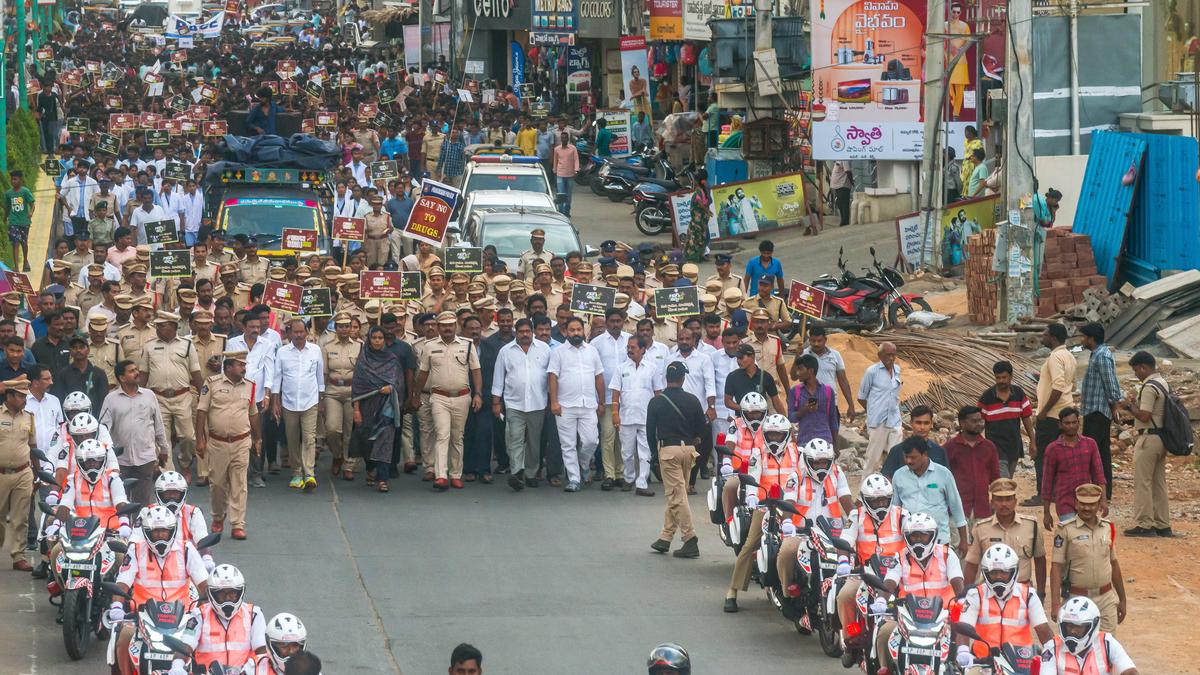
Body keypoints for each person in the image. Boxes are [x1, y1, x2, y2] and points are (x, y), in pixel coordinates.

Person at [108, 505, 210, 675]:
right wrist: (117, 606)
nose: (161, 535)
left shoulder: (186, 550)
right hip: (142, 617)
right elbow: (122, 583)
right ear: (147, 532)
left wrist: (206, 609)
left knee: (204, 645)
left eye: (165, 531)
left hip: (183, 617)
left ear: (172, 530)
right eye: (156, 532)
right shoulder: (135, 550)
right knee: (123, 638)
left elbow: (204, 585)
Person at [873, 512, 966, 671]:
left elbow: (958, 581)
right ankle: (885, 668)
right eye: (914, 537)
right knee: (884, 632)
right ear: (906, 538)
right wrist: (882, 599)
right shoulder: (899, 557)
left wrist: (963, 600)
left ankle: (955, 668)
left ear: (933, 536)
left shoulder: (947, 554)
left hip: (944, 617)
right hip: (908, 619)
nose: (918, 541)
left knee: (965, 639)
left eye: (923, 536)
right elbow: (889, 582)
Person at [776, 437, 854, 616]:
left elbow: (847, 501)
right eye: (816, 462)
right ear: (808, 461)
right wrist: (787, 523)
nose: (820, 466)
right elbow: (788, 501)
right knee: (787, 551)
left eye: (824, 462)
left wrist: (858, 520)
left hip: (832, 532)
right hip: (801, 532)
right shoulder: (796, 476)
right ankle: (787, 596)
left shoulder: (836, 473)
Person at [834, 473, 906, 664]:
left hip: (897, 575)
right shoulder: (855, 516)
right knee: (845, 595)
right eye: (875, 501)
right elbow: (844, 541)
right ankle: (850, 640)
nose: (881, 505)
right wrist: (842, 561)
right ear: (865, 501)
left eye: (884, 500)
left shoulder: (902, 516)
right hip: (864, 573)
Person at [953, 543, 1053, 671]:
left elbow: (1044, 631)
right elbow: (964, 627)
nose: (998, 577)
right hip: (983, 663)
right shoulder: (975, 594)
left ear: (1014, 571)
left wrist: (1052, 653)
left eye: (1004, 572)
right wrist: (963, 651)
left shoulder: (1029, 595)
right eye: (993, 573)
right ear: (985, 573)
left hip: (1020, 664)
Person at [413, 311, 482, 490]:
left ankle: (455, 474)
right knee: (442, 434)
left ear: (455, 326)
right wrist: (416, 395)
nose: (447, 328)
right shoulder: (429, 346)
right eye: (443, 325)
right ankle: (441, 475)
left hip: (462, 396)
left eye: (450, 325)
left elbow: (476, 371)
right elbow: (422, 374)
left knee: (457, 437)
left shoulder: (467, 345)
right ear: (438, 327)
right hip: (439, 397)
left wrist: (478, 394)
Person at [647, 361, 709, 558]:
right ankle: (665, 537)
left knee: (676, 495)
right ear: (683, 378)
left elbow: (650, 432)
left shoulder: (656, 402)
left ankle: (690, 538)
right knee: (678, 493)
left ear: (667, 378)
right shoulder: (693, 400)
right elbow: (702, 428)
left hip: (669, 449)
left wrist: (653, 454)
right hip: (688, 449)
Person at [195, 350, 259, 540]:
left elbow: (253, 413)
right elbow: (201, 411)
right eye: (240, 365)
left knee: (239, 483)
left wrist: (258, 438)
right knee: (217, 484)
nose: (244, 369)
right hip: (217, 443)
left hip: (241, 441)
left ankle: (237, 523)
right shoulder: (212, 383)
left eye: (245, 365)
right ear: (229, 366)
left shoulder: (250, 386)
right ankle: (217, 516)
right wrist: (200, 439)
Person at [1050, 483, 1128, 633]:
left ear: (1099, 505)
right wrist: (1055, 604)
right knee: (1077, 648)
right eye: (1083, 504)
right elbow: (1056, 567)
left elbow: (1114, 564)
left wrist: (1122, 599)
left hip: (1106, 600)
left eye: (1092, 504)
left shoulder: (1107, 527)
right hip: (1076, 599)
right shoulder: (1065, 529)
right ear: (1076, 503)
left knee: (1106, 647)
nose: (1087, 508)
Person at [140, 311, 203, 479]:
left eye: (162, 326)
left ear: (174, 327)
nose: (158, 329)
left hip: (182, 397)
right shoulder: (149, 346)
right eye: (157, 326)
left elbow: (195, 372)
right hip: (158, 397)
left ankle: (185, 463)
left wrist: (204, 394)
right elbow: (144, 373)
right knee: (162, 438)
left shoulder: (187, 345)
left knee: (188, 437)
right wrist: (138, 395)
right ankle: (168, 475)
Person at [491, 318, 550, 491]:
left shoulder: (544, 349)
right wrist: (496, 401)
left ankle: (531, 473)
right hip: (513, 403)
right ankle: (517, 472)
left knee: (534, 441)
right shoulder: (505, 351)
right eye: (521, 331)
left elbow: (551, 377)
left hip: (538, 403)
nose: (525, 334)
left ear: (532, 331)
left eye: (528, 331)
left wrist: (551, 399)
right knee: (515, 438)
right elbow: (498, 377)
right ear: (516, 332)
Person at [100, 360, 170, 506]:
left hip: (145, 457)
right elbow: (103, 429)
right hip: (120, 460)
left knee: (142, 504)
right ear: (122, 378)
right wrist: (105, 454)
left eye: (136, 369)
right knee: (120, 503)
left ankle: (139, 528)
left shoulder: (149, 395)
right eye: (131, 371)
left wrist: (164, 448)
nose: (137, 373)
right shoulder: (110, 399)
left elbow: (158, 423)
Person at [548, 316, 605, 492]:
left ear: (583, 331)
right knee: (568, 444)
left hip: (588, 404)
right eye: (572, 330)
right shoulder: (558, 352)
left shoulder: (592, 351)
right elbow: (553, 377)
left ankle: (584, 464)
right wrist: (554, 402)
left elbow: (599, 376)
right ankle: (574, 478)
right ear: (566, 332)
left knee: (591, 441)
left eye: (578, 329)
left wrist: (601, 402)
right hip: (565, 405)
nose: (576, 333)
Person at [963, 478, 1046, 598]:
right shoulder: (981, 528)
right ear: (991, 502)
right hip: (990, 594)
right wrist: (966, 595)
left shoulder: (1031, 526)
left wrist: (1041, 594)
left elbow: (1040, 561)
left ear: (1015, 501)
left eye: (1008, 499)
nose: (1004, 504)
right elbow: (972, 565)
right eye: (999, 499)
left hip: (1022, 593)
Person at [1119, 350, 1172, 537]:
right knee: (1158, 483)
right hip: (1162, 439)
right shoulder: (1163, 383)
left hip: (1149, 438)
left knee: (1143, 482)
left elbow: (1144, 415)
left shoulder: (1149, 386)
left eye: (1136, 370)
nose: (1136, 374)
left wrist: (1127, 406)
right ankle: (1163, 524)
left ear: (1143, 367)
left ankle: (1144, 524)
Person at [892, 436, 969, 557]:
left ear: (925, 454)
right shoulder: (899, 475)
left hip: (939, 541)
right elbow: (895, 510)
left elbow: (956, 507)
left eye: (913, 457)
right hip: (909, 542)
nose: (909, 461)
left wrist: (964, 540)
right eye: (906, 457)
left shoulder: (944, 474)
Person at [271, 320, 325, 492]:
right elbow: (277, 378)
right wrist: (275, 401)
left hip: (310, 401)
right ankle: (296, 472)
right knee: (292, 438)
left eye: (302, 332)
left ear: (307, 332)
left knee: (309, 438)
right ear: (289, 333)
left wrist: (321, 399)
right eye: (296, 332)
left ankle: (309, 473)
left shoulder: (315, 351)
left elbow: (320, 378)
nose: (299, 335)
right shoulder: (282, 352)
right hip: (289, 402)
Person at [352, 326, 404, 493]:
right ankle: (370, 468)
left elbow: (398, 382)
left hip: (386, 406)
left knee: (385, 441)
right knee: (367, 441)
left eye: (380, 338)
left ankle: (383, 478)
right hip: (367, 405)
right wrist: (356, 410)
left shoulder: (391, 359)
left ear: (384, 340)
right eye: (373, 337)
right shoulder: (363, 359)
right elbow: (357, 387)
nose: (376, 341)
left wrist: (391, 388)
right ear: (369, 339)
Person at [1029, 323, 1074, 506]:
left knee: (1043, 456)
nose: (1042, 336)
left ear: (1053, 337)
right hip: (1064, 410)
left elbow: (1058, 386)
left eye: (1045, 333)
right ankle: (1056, 492)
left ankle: (1043, 494)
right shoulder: (1069, 356)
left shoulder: (1055, 357)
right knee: (1061, 455)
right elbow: (1070, 385)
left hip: (1051, 415)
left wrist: (1044, 411)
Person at [192, 564, 268, 673]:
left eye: (232, 593)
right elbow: (186, 645)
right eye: (222, 593)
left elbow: (262, 652)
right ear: (212, 593)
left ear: (240, 593)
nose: (227, 598)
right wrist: (178, 665)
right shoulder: (198, 615)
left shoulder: (254, 614)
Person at [1042, 407, 1106, 527]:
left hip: (1087, 501)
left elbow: (1099, 474)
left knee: (1087, 537)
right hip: (1065, 502)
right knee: (1071, 536)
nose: (1071, 426)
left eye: (1074, 422)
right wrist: (1046, 513)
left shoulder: (1090, 444)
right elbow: (1047, 482)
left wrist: (1103, 500)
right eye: (1067, 423)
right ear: (1060, 425)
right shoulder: (1053, 449)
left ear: (1078, 423)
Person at [1042, 597, 1138, 674]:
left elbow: (1130, 671)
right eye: (1069, 626)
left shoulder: (1107, 643)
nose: (1072, 631)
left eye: (1079, 627)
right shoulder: (1051, 649)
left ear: (1093, 627)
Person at [1079, 322, 1121, 498]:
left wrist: (1114, 407)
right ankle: (1104, 492)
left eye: (1084, 337)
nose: (1082, 340)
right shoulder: (1096, 355)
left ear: (1091, 339)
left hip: (1098, 412)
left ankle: (1096, 491)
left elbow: (1110, 384)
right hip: (1094, 410)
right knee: (1101, 454)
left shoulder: (1102, 356)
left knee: (1092, 453)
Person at [944, 405, 999, 532]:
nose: (979, 424)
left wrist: (996, 503)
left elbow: (996, 480)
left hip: (983, 509)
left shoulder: (989, 447)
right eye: (974, 421)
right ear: (962, 423)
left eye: (980, 420)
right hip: (957, 511)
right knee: (959, 548)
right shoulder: (950, 448)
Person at [591, 309, 630, 490]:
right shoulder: (596, 343)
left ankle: (620, 474)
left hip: (626, 398)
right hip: (605, 398)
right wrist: (597, 400)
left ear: (624, 321)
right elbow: (594, 372)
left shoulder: (631, 340)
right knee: (607, 436)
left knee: (622, 438)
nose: (615, 324)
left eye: (618, 321)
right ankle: (609, 474)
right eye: (612, 321)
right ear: (606, 322)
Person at [0, 379, 35, 570]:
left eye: (25, 396)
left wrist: (37, 473)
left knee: (20, 517)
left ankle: (18, 556)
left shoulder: (29, 417)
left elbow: (33, 446)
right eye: (20, 396)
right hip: (1, 473)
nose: (24, 399)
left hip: (23, 472)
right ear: (9, 396)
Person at [978, 360, 1035, 478]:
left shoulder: (1018, 393)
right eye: (998, 378)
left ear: (1011, 376)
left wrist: (1033, 441)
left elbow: (1026, 418)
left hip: (1014, 446)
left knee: (1007, 482)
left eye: (1004, 377)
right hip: (995, 447)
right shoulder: (987, 397)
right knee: (1004, 483)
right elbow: (978, 422)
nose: (1001, 381)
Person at [324, 313, 362, 481]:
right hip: (332, 390)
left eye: (347, 326)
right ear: (336, 328)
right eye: (340, 326)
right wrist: (320, 398)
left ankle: (348, 465)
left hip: (352, 390)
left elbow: (362, 373)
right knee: (332, 429)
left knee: (349, 431)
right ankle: (337, 455)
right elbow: (324, 373)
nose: (344, 329)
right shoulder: (327, 346)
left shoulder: (360, 346)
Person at [859, 341, 904, 477]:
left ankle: (890, 489)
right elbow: (861, 397)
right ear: (880, 355)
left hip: (894, 419)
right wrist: (872, 412)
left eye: (893, 355)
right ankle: (864, 492)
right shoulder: (871, 372)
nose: (891, 358)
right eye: (888, 355)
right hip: (877, 421)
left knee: (894, 456)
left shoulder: (897, 370)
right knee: (873, 459)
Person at [801, 326, 855, 418]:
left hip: (831, 402)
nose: (816, 344)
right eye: (813, 341)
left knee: (832, 431)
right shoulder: (803, 355)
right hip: (810, 403)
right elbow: (795, 376)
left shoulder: (835, 355)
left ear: (825, 340)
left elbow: (843, 380)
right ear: (809, 340)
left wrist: (851, 405)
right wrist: (797, 357)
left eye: (819, 340)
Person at [788, 353, 839, 446]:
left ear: (810, 371)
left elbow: (833, 420)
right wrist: (804, 410)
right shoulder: (794, 392)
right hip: (803, 442)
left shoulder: (828, 391)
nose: (797, 373)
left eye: (800, 369)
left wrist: (835, 445)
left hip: (825, 441)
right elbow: (791, 417)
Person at [4, 170, 35, 272]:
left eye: (15, 179)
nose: (13, 181)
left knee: (24, 242)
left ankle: (25, 261)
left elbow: (32, 204)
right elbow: (7, 208)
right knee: (15, 242)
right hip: (13, 222)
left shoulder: (25, 191)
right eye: (12, 179)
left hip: (24, 221)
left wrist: (31, 213)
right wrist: (5, 218)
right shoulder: (8, 194)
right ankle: (16, 266)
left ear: (20, 180)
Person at [552, 132, 578, 216]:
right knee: (560, 194)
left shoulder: (573, 148)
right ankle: (560, 212)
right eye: (562, 138)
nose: (564, 139)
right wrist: (555, 171)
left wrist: (576, 170)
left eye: (565, 138)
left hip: (570, 174)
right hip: (560, 174)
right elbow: (555, 161)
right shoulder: (557, 149)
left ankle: (567, 211)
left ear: (568, 139)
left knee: (568, 194)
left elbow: (576, 160)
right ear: (560, 139)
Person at [829, 160, 852, 226]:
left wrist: (851, 181)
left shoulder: (845, 159)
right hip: (837, 185)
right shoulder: (838, 158)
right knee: (839, 203)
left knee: (844, 204)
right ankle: (843, 220)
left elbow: (847, 171)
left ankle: (845, 221)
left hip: (843, 185)